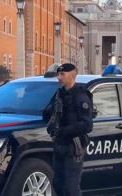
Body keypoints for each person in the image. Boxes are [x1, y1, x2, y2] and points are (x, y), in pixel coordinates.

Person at [43, 63, 93, 196]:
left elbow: (87, 125)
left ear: (71, 76)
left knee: (71, 188)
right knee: (58, 184)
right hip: (59, 145)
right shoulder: (59, 94)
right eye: (58, 74)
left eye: (62, 74)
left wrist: (64, 130)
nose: (59, 78)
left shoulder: (80, 96)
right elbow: (47, 114)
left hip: (73, 146)